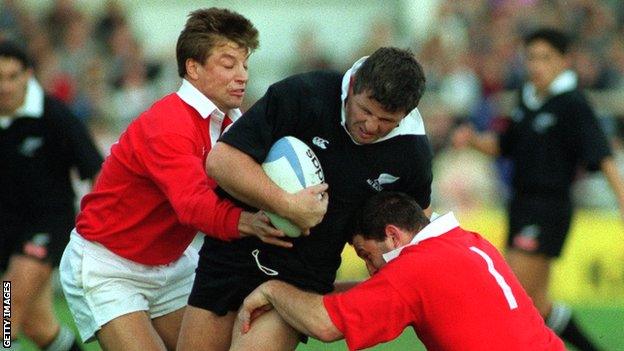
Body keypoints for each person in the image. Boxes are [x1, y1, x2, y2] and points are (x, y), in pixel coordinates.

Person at [58, 8, 314, 351]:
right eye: (228, 65)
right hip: (110, 266)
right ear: (193, 67)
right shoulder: (169, 123)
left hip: (172, 263)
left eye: (245, 65)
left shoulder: (233, 124)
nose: (242, 76)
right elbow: (194, 206)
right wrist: (251, 222)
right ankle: (9, 335)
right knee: (16, 305)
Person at [177, 47, 433, 351]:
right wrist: (287, 205)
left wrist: (382, 264)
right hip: (231, 255)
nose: (372, 126)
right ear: (352, 86)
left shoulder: (412, 152)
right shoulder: (305, 94)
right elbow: (221, 162)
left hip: (301, 278)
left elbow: (415, 230)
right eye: (365, 110)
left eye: (387, 120)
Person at [452, 27, 624, 351]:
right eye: (531, 57)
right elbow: (505, 145)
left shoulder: (572, 103)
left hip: (548, 206)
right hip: (521, 204)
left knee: (511, 294)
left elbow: (602, 156)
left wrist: (622, 199)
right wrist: (473, 140)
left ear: (564, 61)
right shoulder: (527, 99)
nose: (536, 65)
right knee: (538, 303)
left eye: (545, 57)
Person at [237, 192, 566, 351]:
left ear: (393, 235)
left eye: (367, 255)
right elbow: (375, 293)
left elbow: (324, 325)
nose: (370, 269)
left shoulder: (414, 268)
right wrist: (320, 292)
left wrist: (272, 289)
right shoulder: (465, 241)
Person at [0, 40, 103, 351]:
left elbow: (96, 171)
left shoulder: (55, 116)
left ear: (28, 75)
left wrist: (100, 229)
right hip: (7, 229)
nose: (4, 86)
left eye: (12, 76)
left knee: (5, 313)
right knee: (39, 327)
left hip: (46, 227)